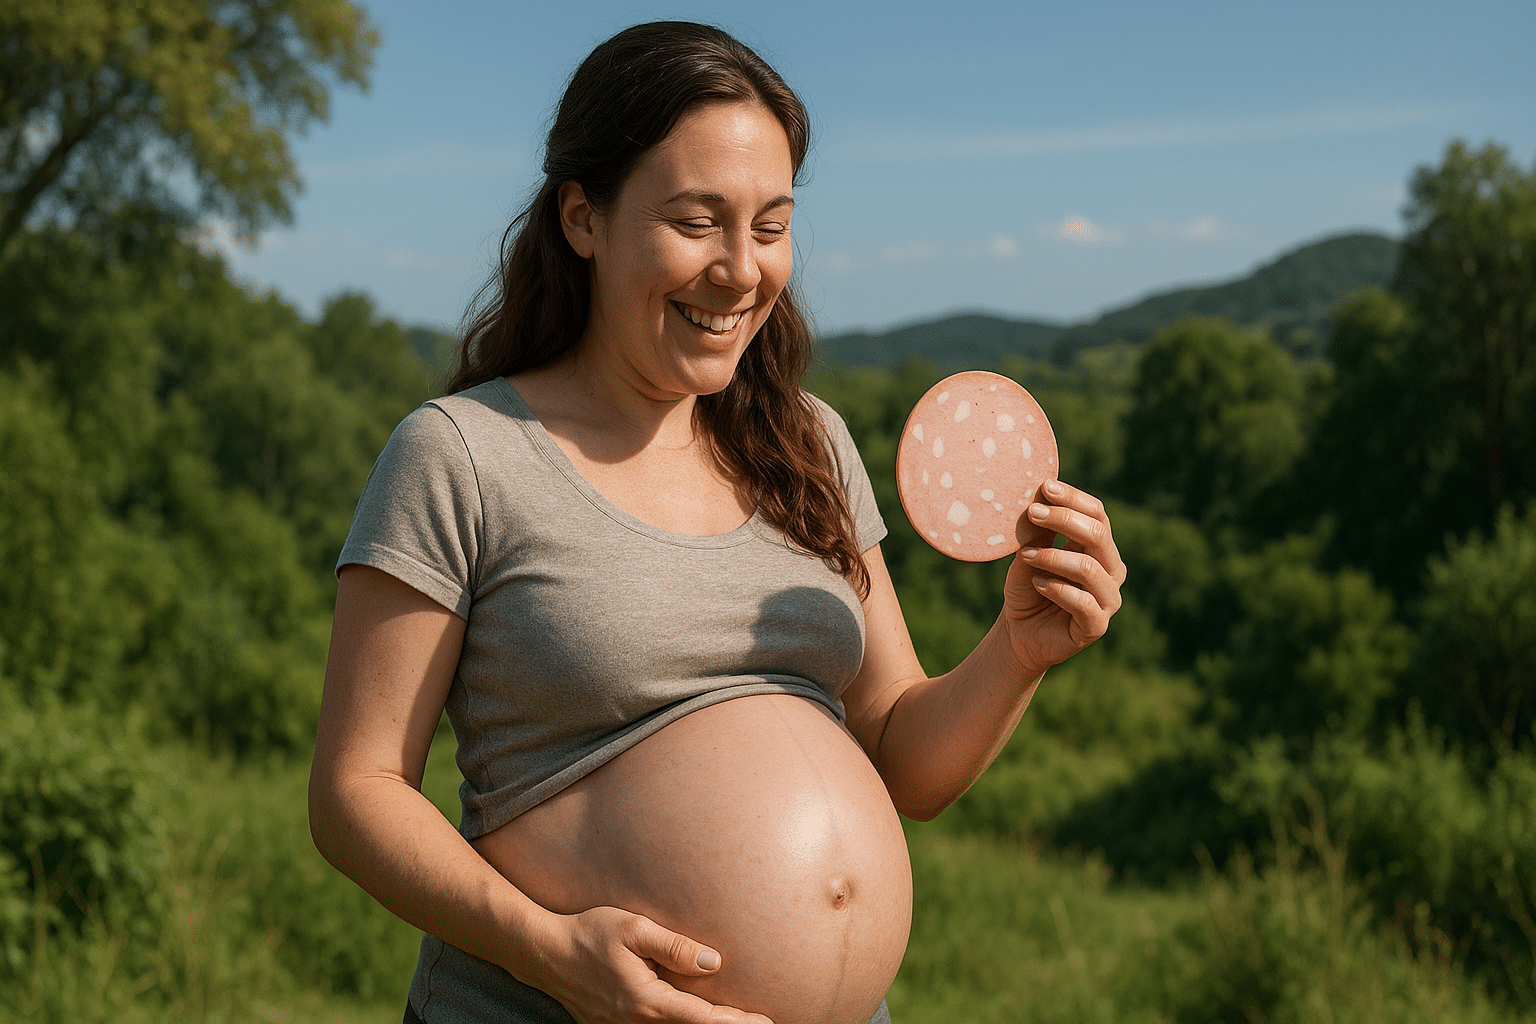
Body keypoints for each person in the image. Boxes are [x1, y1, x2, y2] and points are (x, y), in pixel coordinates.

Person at [309, 20, 1124, 1024]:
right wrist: (553, 952)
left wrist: (1021, 647)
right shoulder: (464, 454)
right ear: (583, 218)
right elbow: (357, 790)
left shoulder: (808, 445)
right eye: (698, 220)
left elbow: (906, 757)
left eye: (771, 225)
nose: (742, 270)